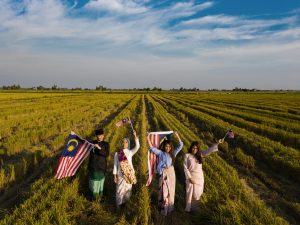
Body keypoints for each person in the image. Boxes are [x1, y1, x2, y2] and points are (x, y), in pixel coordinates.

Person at [147, 131, 183, 215]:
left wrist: (177, 135)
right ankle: (162, 208)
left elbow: (181, 145)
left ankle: (168, 207)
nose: (167, 148)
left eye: (169, 147)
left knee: (170, 191)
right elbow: (152, 148)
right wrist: (148, 137)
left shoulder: (173, 154)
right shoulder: (160, 153)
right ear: (164, 147)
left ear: (171, 147)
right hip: (162, 174)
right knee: (162, 191)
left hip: (171, 174)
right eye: (166, 146)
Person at [183, 139, 224, 212]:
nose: (194, 149)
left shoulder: (200, 155)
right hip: (191, 177)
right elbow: (185, 168)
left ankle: (196, 210)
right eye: (193, 147)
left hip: (199, 178)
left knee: (197, 194)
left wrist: (217, 143)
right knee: (190, 194)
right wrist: (189, 178)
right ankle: (189, 209)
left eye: (196, 148)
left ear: (198, 149)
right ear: (190, 147)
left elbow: (209, 150)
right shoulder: (187, 156)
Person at [113, 130, 140, 209]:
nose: (124, 143)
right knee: (119, 191)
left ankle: (126, 206)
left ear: (128, 144)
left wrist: (135, 136)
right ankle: (119, 207)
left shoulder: (130, 152)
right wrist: (114, 176)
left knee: (128, 190)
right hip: (120, 175)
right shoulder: (117, 153)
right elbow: (115, 165)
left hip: (129, 174)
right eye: (123, 142)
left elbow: (137, 146)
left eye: (126, 142)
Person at [88, 128, 110, 200]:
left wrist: (99, 148)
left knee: (100, 183)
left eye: (100, 135)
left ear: (103, 136)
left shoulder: (106, 144)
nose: (99, 137)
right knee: (93, 183)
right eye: (98, 135)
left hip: (101, 167)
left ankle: (99, 197)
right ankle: (93, 197)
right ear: (96, 136)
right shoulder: (92, 143)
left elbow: (106, 154)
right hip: (93, 167)